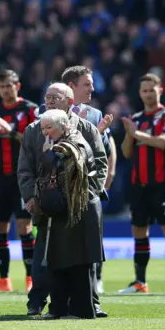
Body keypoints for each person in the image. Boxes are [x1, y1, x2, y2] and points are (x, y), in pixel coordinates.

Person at [24, 83, 108, 317]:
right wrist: (32, 196)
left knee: (81, 260)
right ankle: (48, 304)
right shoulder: (37, 132)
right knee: (51, 257)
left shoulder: (81, 135)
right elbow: (26, 170)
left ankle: (86, 305)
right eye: (47, 96)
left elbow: (94, 163)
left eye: (48, 128)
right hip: (53, 206)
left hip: (79, 206)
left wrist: (88, 192)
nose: (44, 132)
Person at [119, 74, 165, 295]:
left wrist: (136, 133)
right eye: (144, 90)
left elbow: (164, 142)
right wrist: (130, 135)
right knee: (139, 231)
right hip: (139, 186)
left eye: (151, 90)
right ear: (139, 93)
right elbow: (127, 152)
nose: (148, 94)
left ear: (160, 90)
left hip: (162, 184)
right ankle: (140, 282)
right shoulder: (136, 117)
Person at [61, 65, 114, 295]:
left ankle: (95, 282)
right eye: (87, 84)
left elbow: (104, 153)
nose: (92, 88)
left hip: (87, 187)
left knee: (92, 235)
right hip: (59, 188)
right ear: (71, 86)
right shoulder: (49, 110)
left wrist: (99, 133)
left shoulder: (96, 114)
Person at [0, 70, 38, 293]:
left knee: (25, 226)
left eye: (9, 85)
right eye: (2, 86)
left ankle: (31, 277)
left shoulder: (30, 110)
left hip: (23, 178)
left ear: (18, 85)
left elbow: (35, 141)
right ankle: (3, 279)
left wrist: (11, 130)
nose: (6, 90)